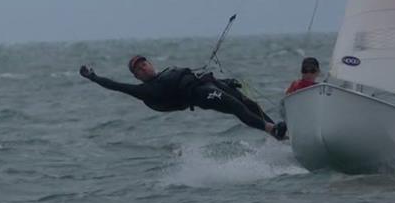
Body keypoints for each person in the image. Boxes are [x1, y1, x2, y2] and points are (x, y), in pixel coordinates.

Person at [79, 55, 287, 140]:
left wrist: (225, 81)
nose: (143, 67)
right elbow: (115, 86)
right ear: (137, 76)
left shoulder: (166, 72)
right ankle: (273, 130)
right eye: (139, 69)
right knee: (234, 105)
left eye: (144, 63)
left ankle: (280, 136)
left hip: (209, 84)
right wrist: (93, 77)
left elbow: (196, 76)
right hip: (199, 95)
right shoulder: (146, 90)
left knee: (250, 103)